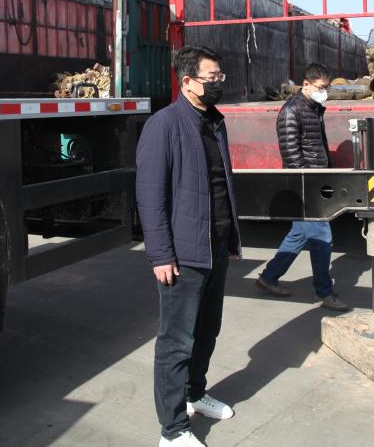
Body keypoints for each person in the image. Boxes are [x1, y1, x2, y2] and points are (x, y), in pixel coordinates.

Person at [136, 45, 243, 447]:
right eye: (211, 78)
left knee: (207, 330)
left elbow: (222, 185)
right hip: (182, 254)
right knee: (176, 341)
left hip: (215, 245)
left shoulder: (214, 122)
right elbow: (150, 196)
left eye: (220, 77)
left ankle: (195, 393)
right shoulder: (164, 125)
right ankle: (173, 430)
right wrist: (161, 254)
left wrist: (230, 237)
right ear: (187, 82)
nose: (218, 83)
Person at [255, 63, 349, 312]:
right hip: (305, 184)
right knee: (322, 236)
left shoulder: (313, 107)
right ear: (306, 84)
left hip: (316, 179)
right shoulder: (291, 111)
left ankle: (268, 278)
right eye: (320, 87)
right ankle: (324, 292)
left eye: (326, 88)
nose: (324, 92)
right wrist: (307, 183)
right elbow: (290, 153)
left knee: (299, 234)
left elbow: (317, 144)